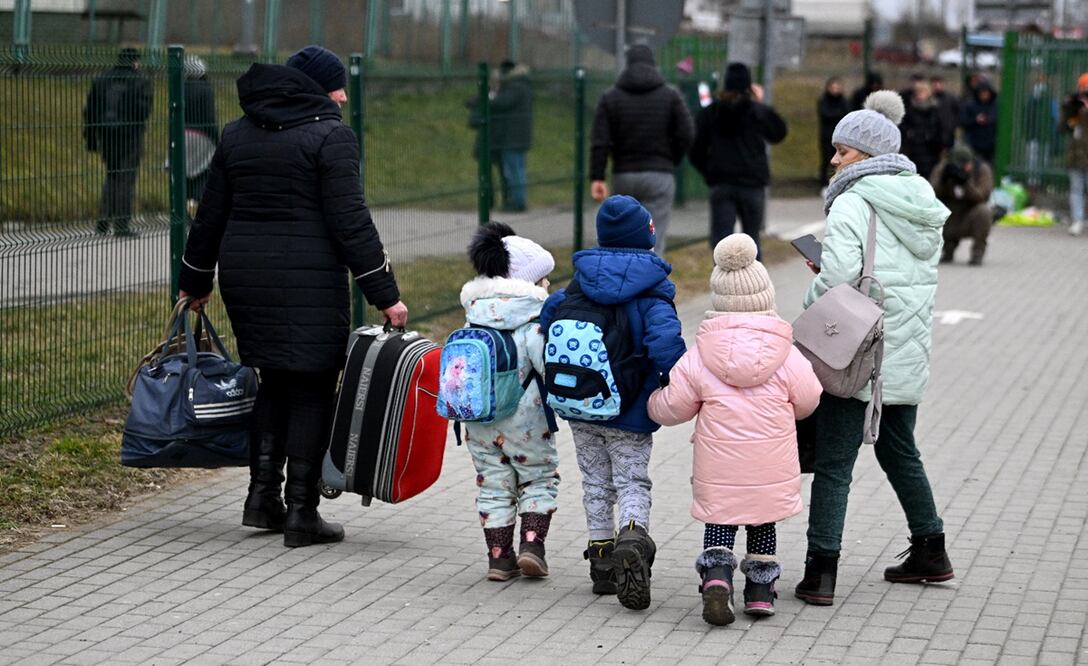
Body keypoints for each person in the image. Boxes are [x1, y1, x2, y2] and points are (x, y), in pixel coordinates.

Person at [177, 45, 408, 548]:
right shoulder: (331, 136)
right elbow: (351, 223)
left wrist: (194, 281)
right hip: (310, 280)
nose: (344, 95)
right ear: (314, 88)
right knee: (311, 386)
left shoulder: (238, 134)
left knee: (274, 381)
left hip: (246, 278)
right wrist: (386, 295)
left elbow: (209, 216)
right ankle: (303, 511)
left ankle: (262, 498)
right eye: (337, 85)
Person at [794, 90, 954, 607]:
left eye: (842, 151)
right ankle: (931, 548)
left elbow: (840, 277)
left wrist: (816, 293)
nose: (833, 159)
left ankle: (820, 573)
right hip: (904, 350)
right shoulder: (921, 200)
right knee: (898, 447)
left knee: (835, 462)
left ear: (865, 154)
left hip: (857, 353)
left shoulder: (852, 200)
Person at [648, 233, 822, 625]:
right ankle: (760, 591)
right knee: (762, 522)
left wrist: (651, 404)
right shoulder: (787, 355)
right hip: (770, 465)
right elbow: (809, 399)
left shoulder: (700, 355)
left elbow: (673, 406)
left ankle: (716, 578)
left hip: (719, 466)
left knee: (720, 520)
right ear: (766, 296)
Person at [539, 195, 685, 610]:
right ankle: (634, 536)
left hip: (580, 406)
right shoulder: (653, 291)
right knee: (632, 481)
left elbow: (548, 320)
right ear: (647, 240)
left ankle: (602, 565)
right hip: (631, 409)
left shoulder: (578, 283)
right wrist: (678, 385)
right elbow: (666, 345)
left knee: (595, 483)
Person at [455, 223, 560, 581]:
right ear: (525, 281)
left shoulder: (473, 317)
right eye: (543, 279)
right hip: (527, 423)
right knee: (538, 479)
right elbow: (548, 368)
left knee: (493, 483)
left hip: (478, 420)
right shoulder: (532, 322)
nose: (547, 286)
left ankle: (499, 557)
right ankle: (532, 546)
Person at [589, 45, 694, 256]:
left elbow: (600, 140)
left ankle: (623, 283)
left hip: (624, 174)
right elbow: (687, 133)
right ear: (653, 64)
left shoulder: (611, 97)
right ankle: (652, 283)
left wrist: (597, 177)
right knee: (655, 237)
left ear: (627, 65)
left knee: (622, 237)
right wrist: (670, 158)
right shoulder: (670, 95)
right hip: (659, 174)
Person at [689, 62, 787, 260]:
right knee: (752, 239)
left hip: (722, 182)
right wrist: (761, 103)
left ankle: (723, 283)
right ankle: (755, 285)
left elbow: (695, 148)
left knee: (721, 241)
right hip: (752, 183)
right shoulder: (756, 111)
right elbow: (778, 133)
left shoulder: (711, 113)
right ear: (749, 86)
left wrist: (709, 172)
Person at [83, 47, 153, 237]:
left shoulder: (102, 79)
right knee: (126, 180)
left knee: (111, 176)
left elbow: (90, 109)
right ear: (135, 61)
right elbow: (144, 111)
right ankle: (122, 225)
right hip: (131, 136)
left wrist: (90, 137)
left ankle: (103, 222)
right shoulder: (140, 80)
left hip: (106, 135)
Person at [932, 144, 994, 265]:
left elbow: (982, 197)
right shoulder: (943, 168)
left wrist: (966, 182)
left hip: (967, 217)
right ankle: (947, 248)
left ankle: (978, 253)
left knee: (984, 212)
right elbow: (930, 195)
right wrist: (943, 182)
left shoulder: (981, 170)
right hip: (948, 217)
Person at [490, 60, 533, 212]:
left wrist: (490, 97)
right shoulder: (526, 88)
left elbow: (502, 103)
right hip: (521, 136)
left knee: (513, 171)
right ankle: (518, 200)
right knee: (518, 170)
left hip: (512, 137)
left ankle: (517, 203)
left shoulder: (516, 88)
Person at [183, 55, 219, 208]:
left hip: (182, 135)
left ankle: (184, 206)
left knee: (184, 174)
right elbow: (209, 118)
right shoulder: (206, 89)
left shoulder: (181, 88)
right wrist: (217, 139)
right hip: (202, 137)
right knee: (202, 173)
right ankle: (197, 206)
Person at [900, 81, 944, 179]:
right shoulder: (910, 110)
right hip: (913, 151)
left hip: (930, 152)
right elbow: (904, 128)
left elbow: (940, 130)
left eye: (922, 92)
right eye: (918, 93)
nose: (920, 96)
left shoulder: (934, 111)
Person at [1061, 73, 1088, 237]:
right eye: (1082, 88)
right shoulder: (1074, 106)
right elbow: (1063, 127)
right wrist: (1068, 108)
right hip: (1075, 154)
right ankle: (1077, 220)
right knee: (1076, 189)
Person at [817, 77, 850, 186]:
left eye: (837, 87)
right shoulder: (823, 101)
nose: (835, 90)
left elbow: (846, 115)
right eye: (833, 87)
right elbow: (825, 114)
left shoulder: (844, 101)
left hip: (842, 137)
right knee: (826, 160)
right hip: (827, 137)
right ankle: (824, 184)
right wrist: (837, 114)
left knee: (842, 161)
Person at [961, 79, 998, 163]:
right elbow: (963, 122)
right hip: (974, 144)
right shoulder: (970, 105)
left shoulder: (996, 106)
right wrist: (975, 120)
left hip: (991, 145)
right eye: (982, 92)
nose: (984, 94)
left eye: (986, 92)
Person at [930, 75, 960, 150]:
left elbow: (957, 112)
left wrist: (953, 125)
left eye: (939, 84)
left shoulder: (951, 98)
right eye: (934, 84)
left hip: (948, 132)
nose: (937, 86)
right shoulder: (929, 98)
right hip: (933, 134)